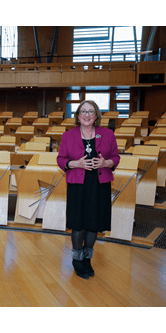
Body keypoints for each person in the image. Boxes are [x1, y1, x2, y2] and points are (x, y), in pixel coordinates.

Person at [57, 100, 120, 279]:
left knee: (94, 222)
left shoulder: (107, 134)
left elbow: (115, 157)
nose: (86, 115)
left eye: (90, 111)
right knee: (78, 222)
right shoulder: (68, 136)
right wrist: (75, 163)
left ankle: (87, 259)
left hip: (99, 184)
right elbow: (61, 159)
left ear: (96, 115)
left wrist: (105, 162)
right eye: (83, 111)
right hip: (78, 183)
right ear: (78, 115)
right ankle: (77, 260)